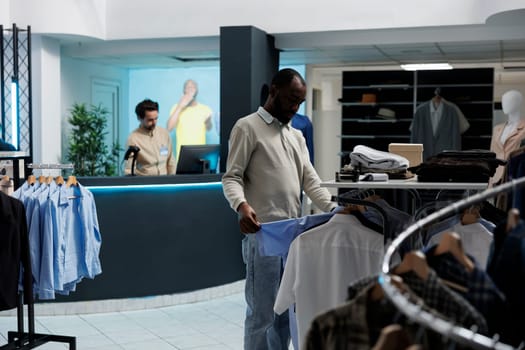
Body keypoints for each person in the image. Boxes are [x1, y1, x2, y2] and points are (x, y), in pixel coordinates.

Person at [222, 68, 336, 350]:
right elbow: (232, 177)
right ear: (273, 91)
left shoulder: (296, 135)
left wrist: (336, 209)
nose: (295, 108)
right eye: (290, 101)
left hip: (293, 238)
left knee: (286, 314)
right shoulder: (247, 127)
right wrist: (242, 205)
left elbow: (311, 181)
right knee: (261, 315)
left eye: (299, 103)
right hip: (263, 236)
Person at [125, 99, 176, 176]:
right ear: (139, 118)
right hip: (145, 184)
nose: (154, 123)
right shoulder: (133, 138)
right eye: (150, 120)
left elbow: (171, 161)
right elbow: (129, 170)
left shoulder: (164, 133)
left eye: (156, 119)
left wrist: (173, 181)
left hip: (165, 182)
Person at [166, 79, 213, 161]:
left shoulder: (205, 109)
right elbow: (169, 128)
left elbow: (209, 128)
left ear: (197, 90)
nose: (191, 89)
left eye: (193, 87)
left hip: (201, 156)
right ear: (184, 90)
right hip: (182, 156)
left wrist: (208, 121)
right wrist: (180, 106)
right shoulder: (176, 107)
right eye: (188, 87)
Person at [489, 89, 525, 187]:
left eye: (509, 101)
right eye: (503, 101)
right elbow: (492, 157)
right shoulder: (497, 129)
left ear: (518, 103)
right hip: (497, 179)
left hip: (515, 177)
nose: (504, 104)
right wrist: (490, 183)